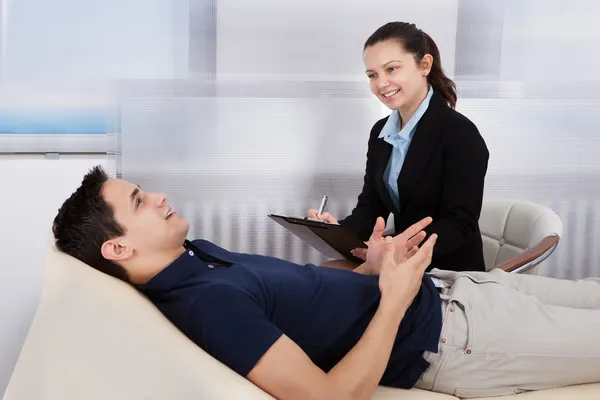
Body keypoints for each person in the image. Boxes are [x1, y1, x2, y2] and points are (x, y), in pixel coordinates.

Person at [52, 165, 600, 400]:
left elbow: (312, 305)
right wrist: (394, 297)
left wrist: (372, 268)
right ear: (118, 248)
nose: (159, 197)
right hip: (458, 338)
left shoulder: (195, 256)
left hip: (458, 291)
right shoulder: (206, 305)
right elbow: (329, 398)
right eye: (140, 202)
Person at [308, 21, 489, 273]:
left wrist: (394, 249)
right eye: (372, 75)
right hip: (397, 263)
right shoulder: (381, 133)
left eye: (391, 69)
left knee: (331, 285)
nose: (381, 84)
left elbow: (458, 225)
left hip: (444, 270)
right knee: (324, 274)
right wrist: (337, 231)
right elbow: (371, 208)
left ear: (424, 65)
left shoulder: (460, 134)